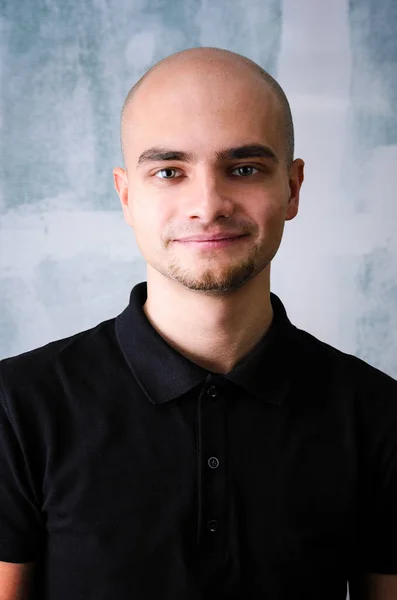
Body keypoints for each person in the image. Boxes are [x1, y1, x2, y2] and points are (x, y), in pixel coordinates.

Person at [0, 47, 396, 600]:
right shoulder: (17, 408)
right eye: (169, 171)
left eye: (244, 168)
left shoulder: (378, 412)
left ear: (293, 189)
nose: (207, 204)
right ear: (126, 195)